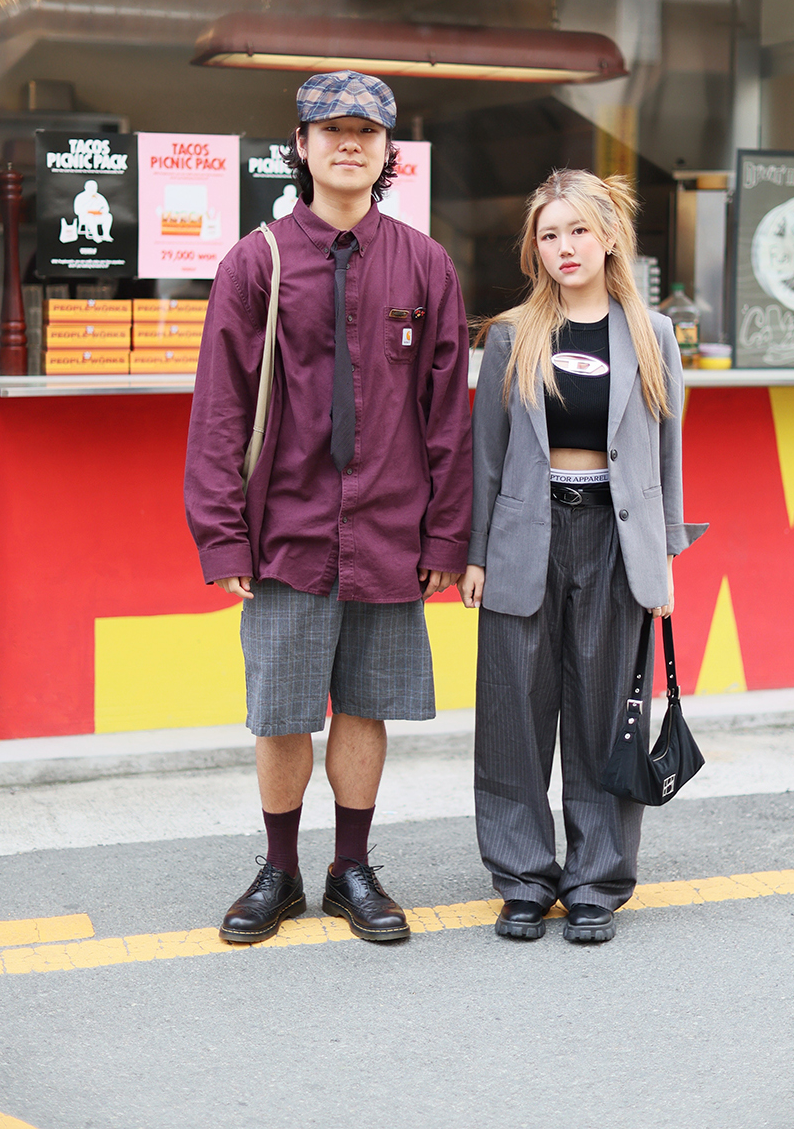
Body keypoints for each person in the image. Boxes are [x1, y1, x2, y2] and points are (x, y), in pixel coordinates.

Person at [185, 71, 472, 945]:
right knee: (281, 710)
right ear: (301, 146)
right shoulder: (255, 261)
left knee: (366, 704)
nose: (350, 144)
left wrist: (447, 534)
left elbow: (447, 414)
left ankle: (352, 869)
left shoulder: (425, 264)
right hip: (287, 529)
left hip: (390, 525)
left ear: (388, 153)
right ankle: (280, 871)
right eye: (332, 130)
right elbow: (221, 407)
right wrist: (223, 536)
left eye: (368, 132)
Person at [458, 168, 707, 944]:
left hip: (616, 542)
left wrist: (663, 557)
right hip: (524, 538)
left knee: (606, 719)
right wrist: (475, 554)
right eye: (548, 234)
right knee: (513, 716)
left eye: (577, 230)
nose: (564, 247)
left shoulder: (651, 334)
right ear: (534, 248)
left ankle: (596, 881)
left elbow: (667, 455)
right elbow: (485, 457)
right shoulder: (512, 335)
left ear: (608, 238)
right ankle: (524, 879)